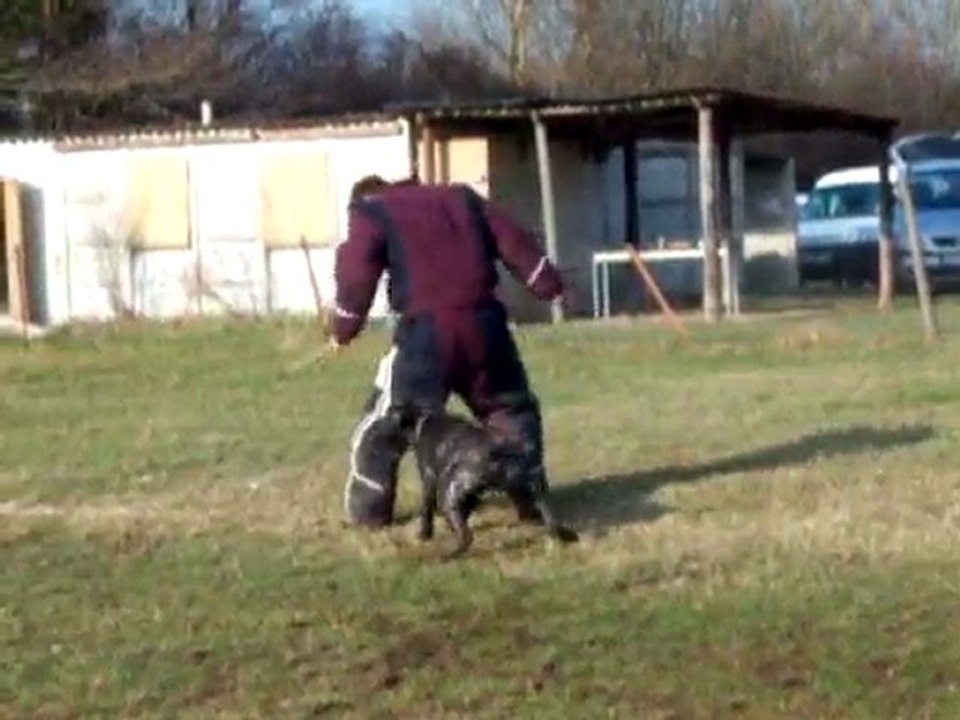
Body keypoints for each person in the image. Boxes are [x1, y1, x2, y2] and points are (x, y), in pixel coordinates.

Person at [330, 173, 570, 528]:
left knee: (387, 425)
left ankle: (369, 512)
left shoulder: (371, 210)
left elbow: (356, 273)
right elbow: (515, 240)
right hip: (487, 327)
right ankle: (531, 498)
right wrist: (548, 284)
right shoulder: (462, 197)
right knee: (512, 411)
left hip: (426, 337)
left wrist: (343, 327)